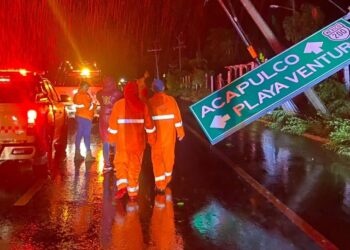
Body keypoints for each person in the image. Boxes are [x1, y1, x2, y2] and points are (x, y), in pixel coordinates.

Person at [108, 81, 156, 200]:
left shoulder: (118, 105)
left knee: (121, 164)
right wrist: (152, 140)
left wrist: (111, 139)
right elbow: (149, 126)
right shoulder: (142, 106)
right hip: (138, 144)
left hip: (122, 143)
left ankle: (122, 187)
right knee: (134, 168)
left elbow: (113, 126)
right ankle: (133, 194)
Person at [148, 79, 185, 193]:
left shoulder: (150, 102)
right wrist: (180, 132)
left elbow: (147, 121)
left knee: (157, 159)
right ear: (163, 88)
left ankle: (160, 184)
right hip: (169, 136)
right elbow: (177, 118)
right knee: (169, 158)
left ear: (153, 89)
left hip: (156, 137)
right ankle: (167, 178)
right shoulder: (171, 101)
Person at [96, 77, 123, 173]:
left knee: (105, 142)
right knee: (116, 141)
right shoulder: (117, 93)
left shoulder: (99, 93)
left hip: (103, 117)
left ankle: (107, 165)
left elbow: (100, 100)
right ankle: (116, 165)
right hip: (113, 117)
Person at [73, 81, 96, 161]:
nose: (87, 89)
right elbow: (89, 106)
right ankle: (88, 155)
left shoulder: (76, 95)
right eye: (86, 87)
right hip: (86, 118)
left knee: (79, 135)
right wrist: (94, 104)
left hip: (79, 116)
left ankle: (77, 154)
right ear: (82, 86)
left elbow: (80, 105)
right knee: (86, 136)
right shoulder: (84, 95)